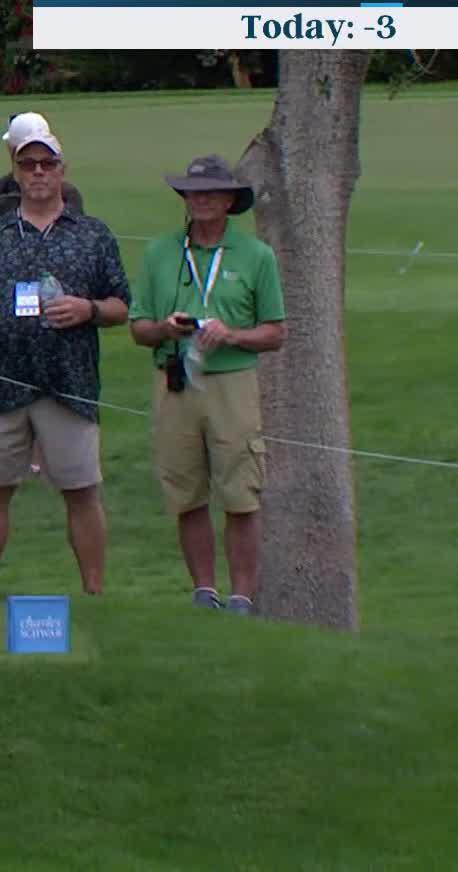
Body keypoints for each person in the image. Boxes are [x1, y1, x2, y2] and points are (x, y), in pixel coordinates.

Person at [0, 111, 129, 595]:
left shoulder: (92, 235)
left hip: (68, 386)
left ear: (61, 170)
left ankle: (94, 592)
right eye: (28, 165)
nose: (37, 174)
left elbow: (121, 306)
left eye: (46, 165)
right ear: (16, 170)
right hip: (3, 387)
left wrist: (87, 308)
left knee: (82, 492)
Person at [128, 155, 286, 616]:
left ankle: (241, 596)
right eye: (194, 193)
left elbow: (275, 332)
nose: (200, 200)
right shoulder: (161, 252)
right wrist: (166, 329)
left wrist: (231, 334)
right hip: (174, 379)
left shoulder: (256, 256)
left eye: (211, 193)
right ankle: (204, 591)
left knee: (240, 491)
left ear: (230, 201)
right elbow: (138, 329)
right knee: (185, 489)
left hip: (232, 381)